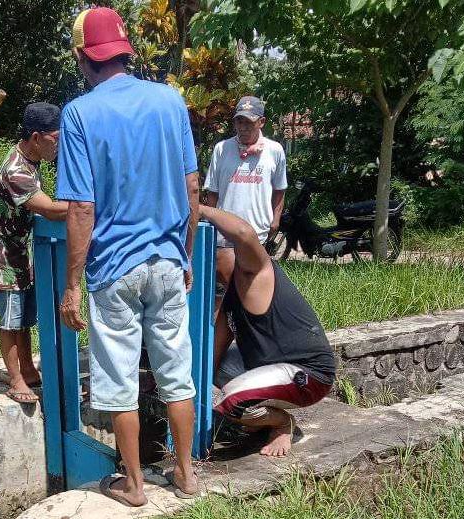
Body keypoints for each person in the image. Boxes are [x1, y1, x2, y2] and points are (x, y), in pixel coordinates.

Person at [57, 7, 200, 507]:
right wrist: (184, 254)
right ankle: (184, 473)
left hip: (113, 270)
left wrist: (72, 285)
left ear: (83, 58)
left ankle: (135, 485)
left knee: (118, 382)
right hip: (166, 262)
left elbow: (80, 208)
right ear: (126, 51)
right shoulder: (169, 101)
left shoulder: (79, 114)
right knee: (175, 371)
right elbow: (191, 187)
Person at [199, 204, 336, 457]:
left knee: (232, 402)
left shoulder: (259, 273)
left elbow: (243, 231)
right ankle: (257, 413)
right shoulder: (231, 296)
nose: (214, 265)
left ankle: (281, 423)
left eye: (219, 254)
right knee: (205, 374)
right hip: (267, 366)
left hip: (308, 374)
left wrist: (199, 209)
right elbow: (213, 352)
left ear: (238, 255)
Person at [0, 102, 68, 404]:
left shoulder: (31, 161)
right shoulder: (15, 170)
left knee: (24, 317)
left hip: (22, 254)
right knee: (10, 319)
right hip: (4, 257)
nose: (59, 143)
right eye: (55, 138)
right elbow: (50, 210)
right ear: (36, 137)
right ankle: (16, 380)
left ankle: (29, 370)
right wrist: (86, 209)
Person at [203, 96, 287, 299]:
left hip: (257, 234)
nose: (243, 127)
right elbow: (212, 192)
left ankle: (247, 331)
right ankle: (222, 330)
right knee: (223, 294)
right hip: (225, 236)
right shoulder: (222, 149)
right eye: (239, 121)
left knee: (252, 294)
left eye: (249, 121)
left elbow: (280, 189)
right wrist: (208, 226)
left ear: (261, 122)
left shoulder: (275, 151)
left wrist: (275, 219)